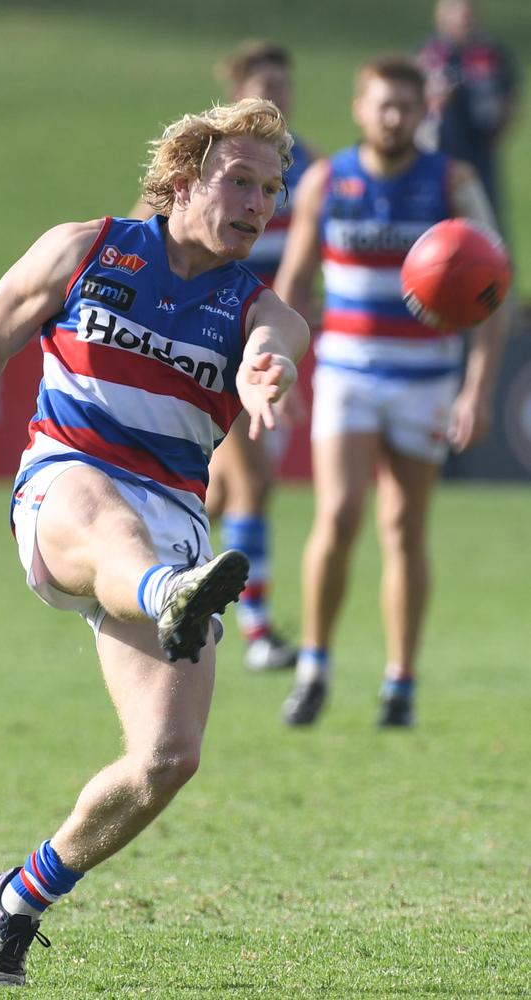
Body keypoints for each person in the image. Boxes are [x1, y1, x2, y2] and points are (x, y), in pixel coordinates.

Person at [0, 97, 309, 986]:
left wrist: (268, 363)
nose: (256, 204)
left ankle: (17, 897)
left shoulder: (256, 304)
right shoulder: (85, 248)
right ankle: (169, 594)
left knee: (167, 760)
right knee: (111, 515)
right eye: (238, 182)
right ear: (180, 179)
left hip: (174, 530)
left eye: (271, 190)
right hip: (65, 488)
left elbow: (282, 340)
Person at [273, 55, 508, 728]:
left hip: (426, 378)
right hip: (348, 370)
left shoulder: (452, 182)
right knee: (340, 515)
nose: (395, 117)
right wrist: (283, 364)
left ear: (424, 113)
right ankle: (315, 666)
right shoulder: (328, 179)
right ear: (360, 107)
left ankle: (400, 680)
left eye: (407, 106)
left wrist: (476, 390)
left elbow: (496, 287)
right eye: (383, 104)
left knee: (404, 528)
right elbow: (294, 281)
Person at [207, 41, 317, 672]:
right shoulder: (214, 157)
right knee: (252, 480)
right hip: (215, 329)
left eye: (284, 84)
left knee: (215, 492)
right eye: (264, 84)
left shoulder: (310, 164)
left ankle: (163, 587)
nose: (276, 96)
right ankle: (255, 630)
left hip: (269, 332)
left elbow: (308, 261)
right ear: (238, 90)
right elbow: (146, 220)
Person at [417, 0, 519, 228]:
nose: (465, 18)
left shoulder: (493, 55)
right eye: (456, 10)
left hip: (480, 154)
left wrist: (494, 138)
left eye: (469, 11)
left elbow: (509, 102)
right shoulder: (427, 54)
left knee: (485, 225)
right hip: (436, 152)